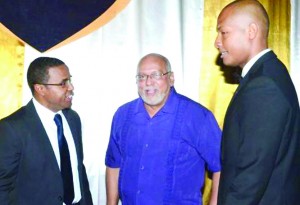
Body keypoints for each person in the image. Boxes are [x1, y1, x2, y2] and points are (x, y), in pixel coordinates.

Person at [105, 53, 222, 205]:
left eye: (156, 75)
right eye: (141, 77)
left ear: (171, 78)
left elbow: (221, 167)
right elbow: (114, 165)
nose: (148, 82)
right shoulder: (123, 115)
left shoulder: (198, 117)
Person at [214, 0, 300, 205]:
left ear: (251, 31)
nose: (217, 42)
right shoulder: (268, 73)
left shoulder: (264, 84)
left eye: (223, 32)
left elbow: (251, 175)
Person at [0, 57, 93, 205]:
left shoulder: (73, 119)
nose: (71, 87)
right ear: (40, 89)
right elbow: (2, 187)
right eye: (63, 83)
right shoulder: (12, 128)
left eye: (70, 80)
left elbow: (78, 170)